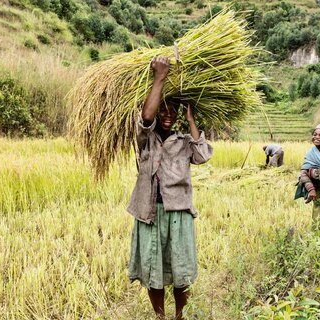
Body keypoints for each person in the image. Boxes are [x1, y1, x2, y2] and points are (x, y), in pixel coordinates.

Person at [126, 56, 213, 320]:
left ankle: (179, 316)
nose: (167, 115)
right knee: (153, 269)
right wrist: (159, 78)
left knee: (180, 269)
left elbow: (203, 155)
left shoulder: (184, 141)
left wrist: (191, 119)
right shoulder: (145, 138)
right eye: (164, 109)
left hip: (179, 212)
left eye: (173, 111)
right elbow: (146, 117)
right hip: (150, 211)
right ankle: (160, 316)